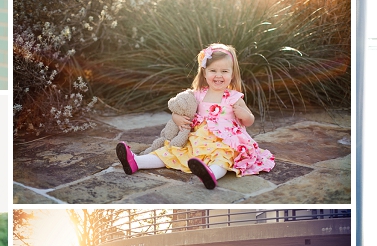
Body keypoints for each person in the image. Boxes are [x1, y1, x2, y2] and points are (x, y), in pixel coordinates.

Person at [115, 43, 275, 189]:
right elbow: (182, 110)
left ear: (232, 74)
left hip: (225, 142)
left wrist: (244, 115)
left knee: (222, 158)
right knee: (172, 152)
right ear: (204, 73)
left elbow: (249, 120)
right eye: (213, 70)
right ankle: (135, 161)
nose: (218, 75)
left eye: (224, 71)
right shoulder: (198, 94)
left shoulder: (233, 97)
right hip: (197, 140)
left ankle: (210, 174)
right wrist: (177, 118)